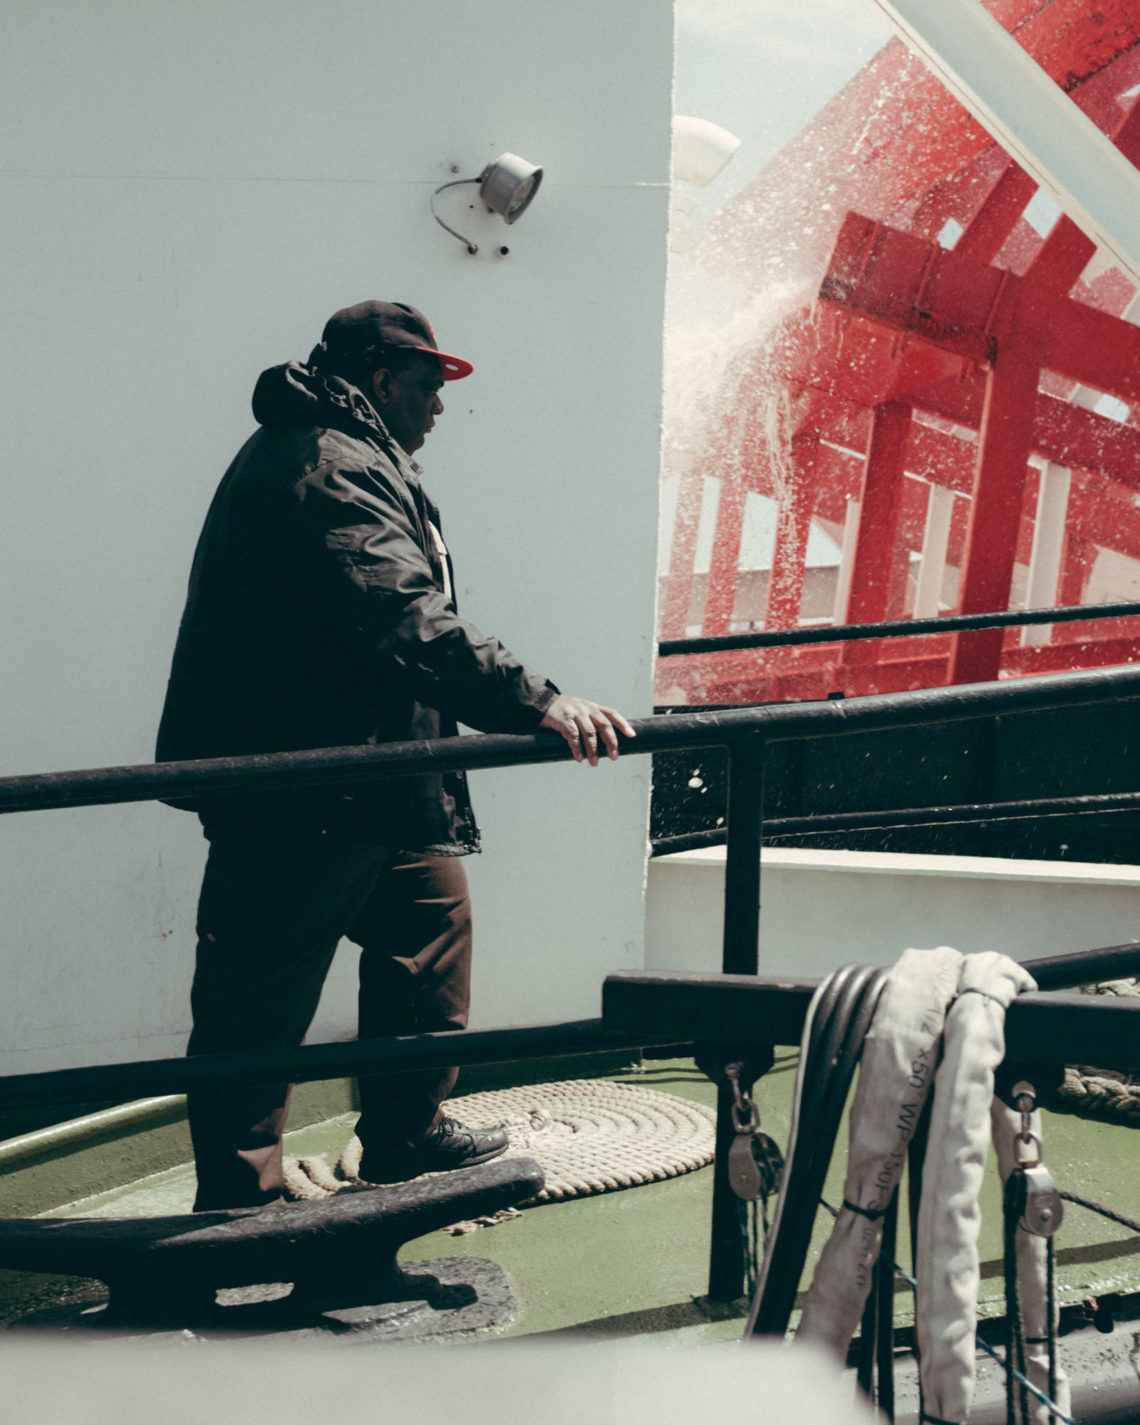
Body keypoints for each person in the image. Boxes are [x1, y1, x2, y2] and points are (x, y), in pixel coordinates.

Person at [157, 300, 634, 1210]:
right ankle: (238, 1204)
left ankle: (407, 1132)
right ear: (380, 377)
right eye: (429, 382)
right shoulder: (328, 464)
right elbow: (400, 617)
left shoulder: (350, 453)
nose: (441, 405)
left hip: (372, 776)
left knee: (429, 926)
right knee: (258, 998)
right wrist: (540, 702)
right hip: (303, 786)